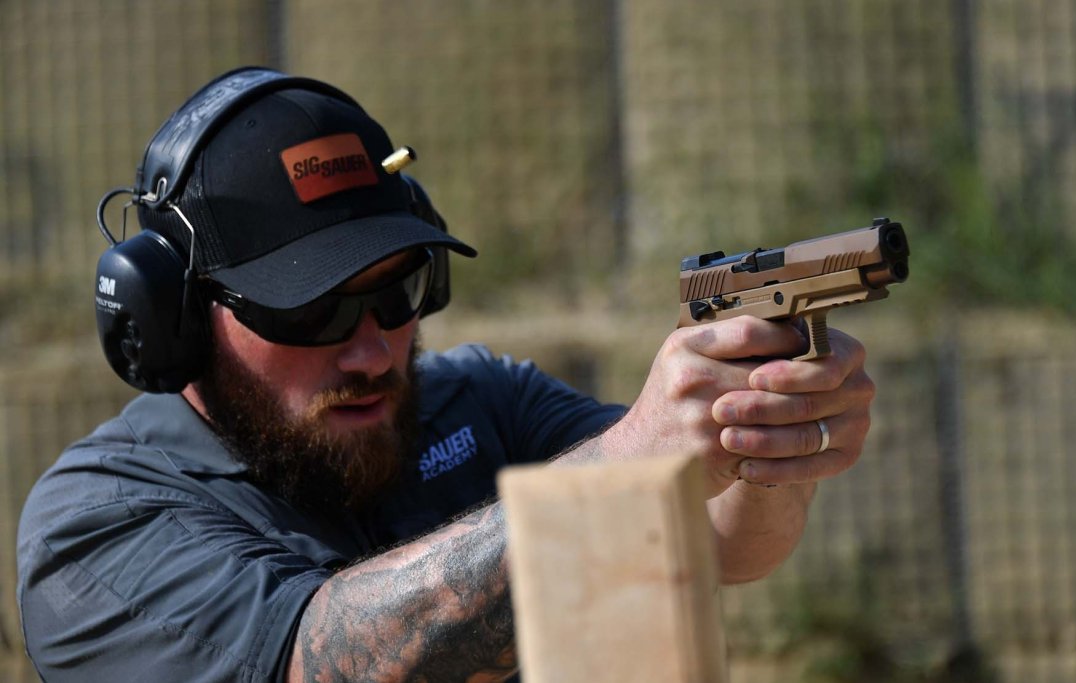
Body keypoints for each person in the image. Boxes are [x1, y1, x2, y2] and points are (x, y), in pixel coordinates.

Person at [17, 68, 875, 683]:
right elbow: (319, 660)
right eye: (310, 311)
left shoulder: (481, 398)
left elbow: (726, 543)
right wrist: (620, 467)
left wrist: (760, 441)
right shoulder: (95, 530)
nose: (370, 350)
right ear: (174, 314)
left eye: (397, 293)